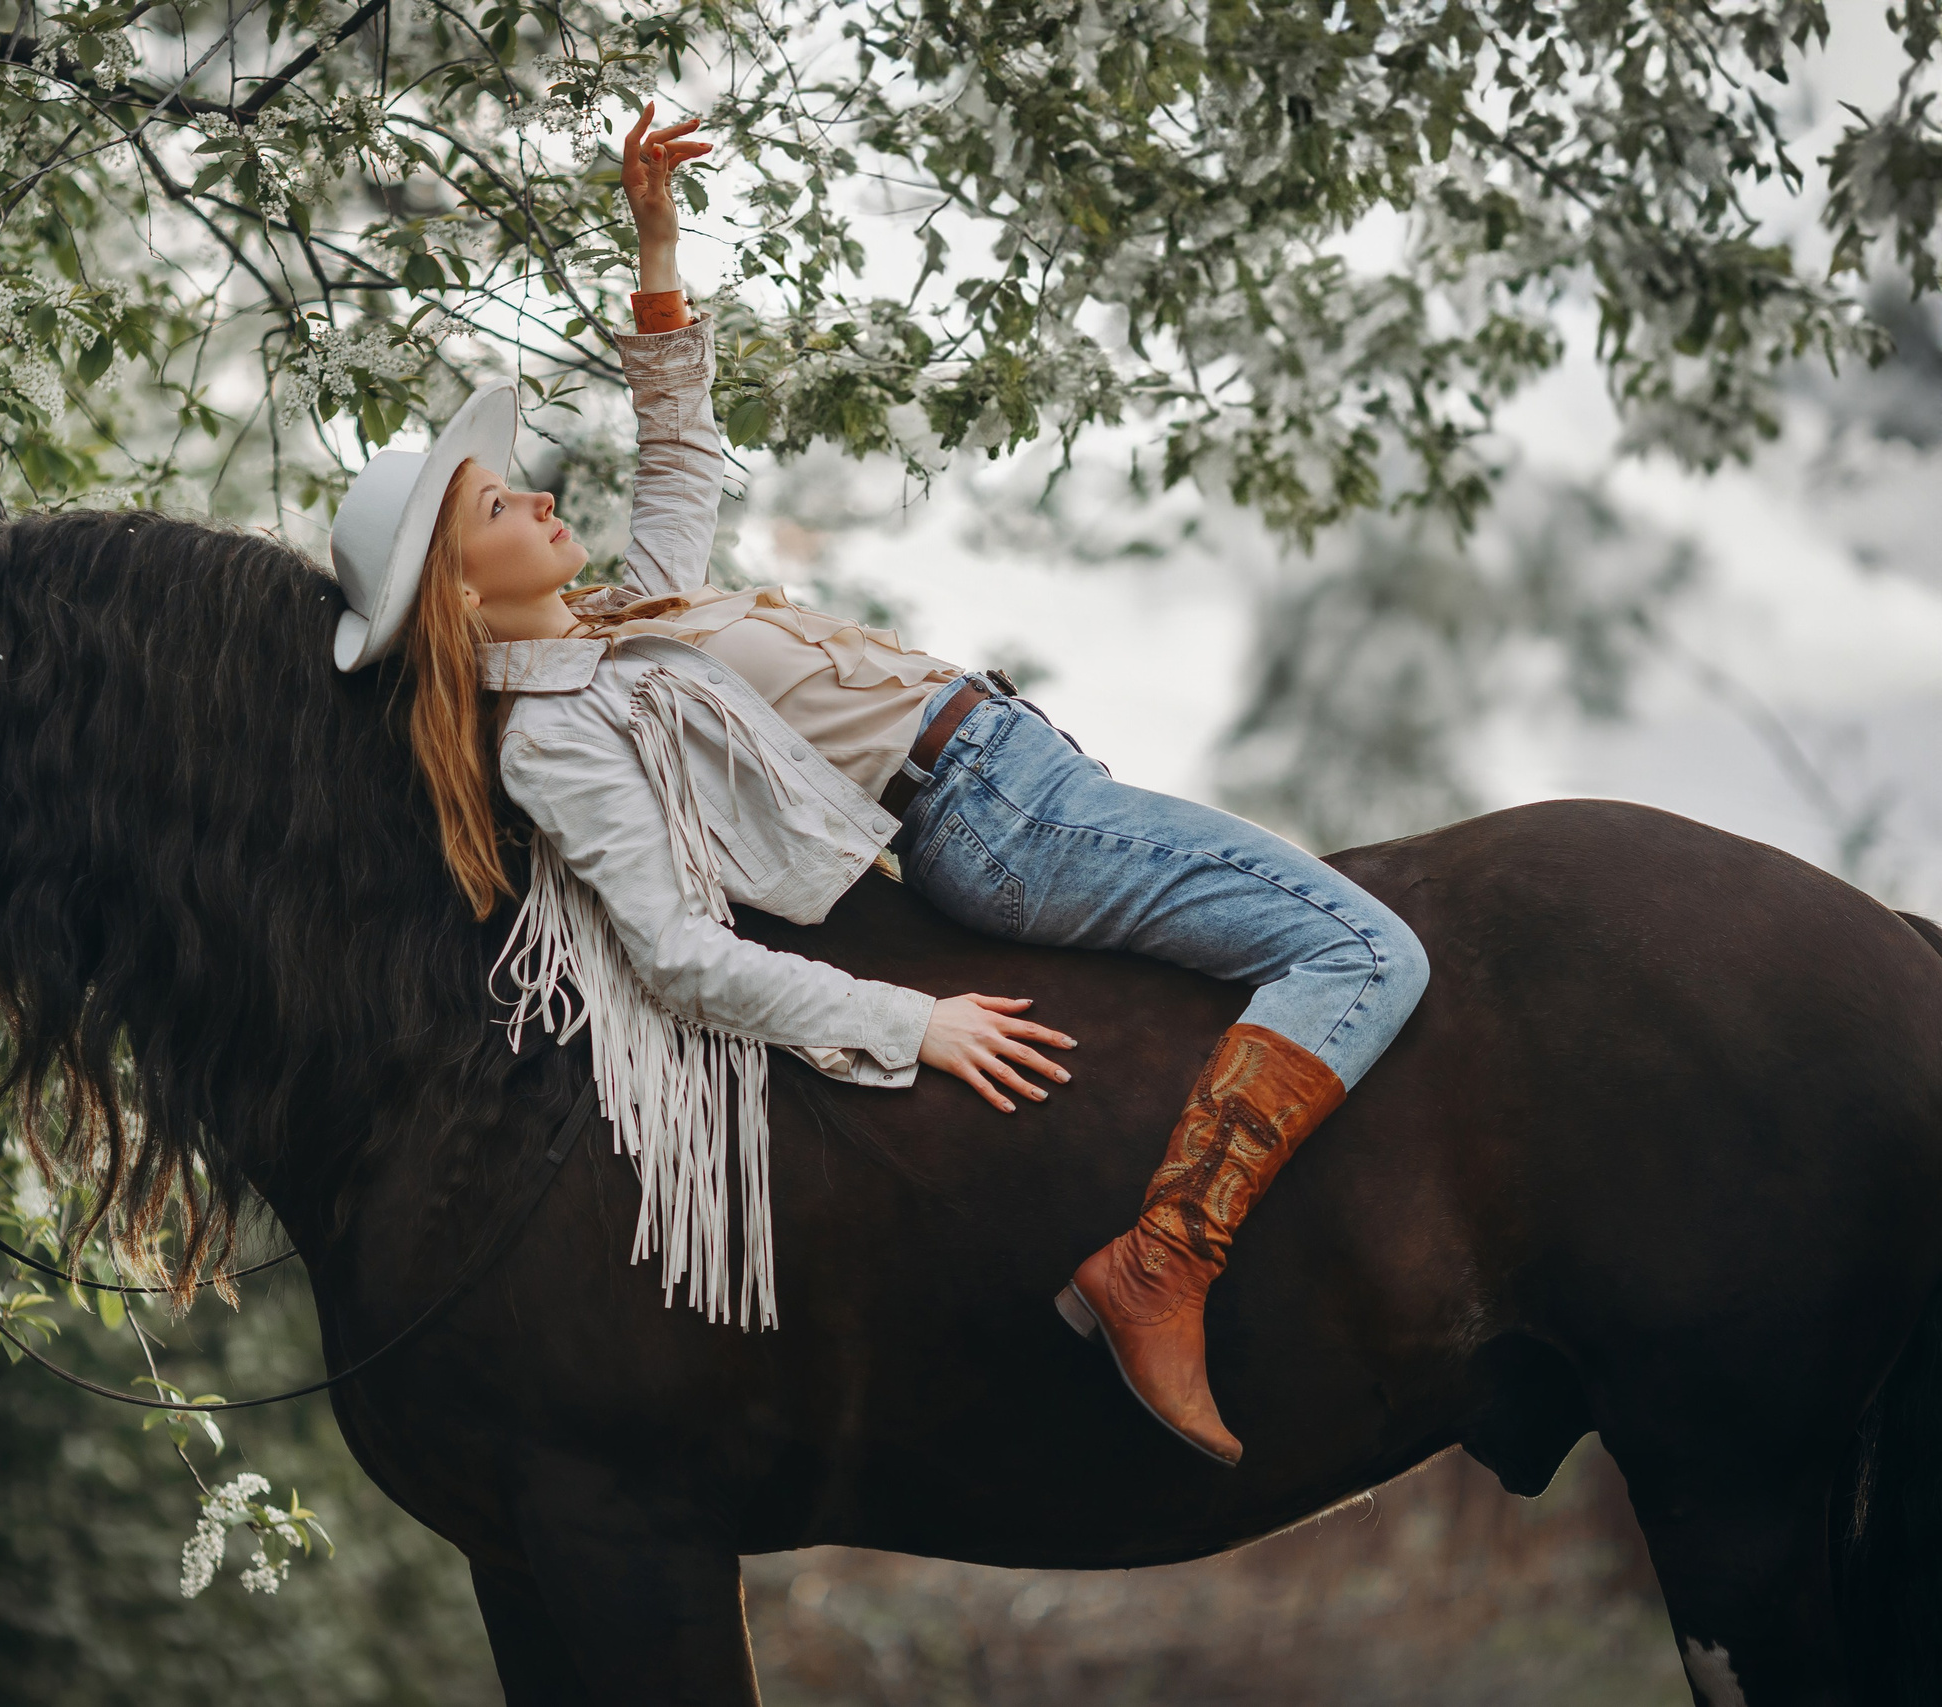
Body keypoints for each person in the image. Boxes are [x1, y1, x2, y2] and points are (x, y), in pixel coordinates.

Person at [323, 105, 1429, 1466]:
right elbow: (675, 953)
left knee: (1344, 935)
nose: (544, 506)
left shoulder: (616, 617)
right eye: (501, 511)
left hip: (1018, 770)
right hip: (993, 816)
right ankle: (1163, 1265)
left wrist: (655, 246)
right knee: (1366, 952)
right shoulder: (554, 734)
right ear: (454, 590)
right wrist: (910, 1026)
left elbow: (677, 458)